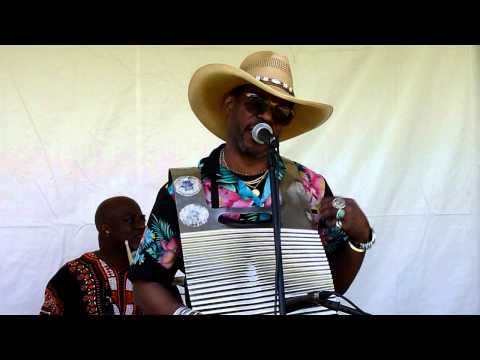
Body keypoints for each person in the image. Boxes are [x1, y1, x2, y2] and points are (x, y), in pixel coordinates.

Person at [129, 51, 375, 315]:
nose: (268, 117)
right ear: (229, 105)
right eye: (256, 104)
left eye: (281, 112)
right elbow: (147, 281)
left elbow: (329, 289)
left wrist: (360, 238)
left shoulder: (310, 187)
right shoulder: (185, 193)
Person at [40, 196, 145, 315]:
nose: (141, 226)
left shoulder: (154, 272)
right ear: (106, 229)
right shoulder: (70, 275)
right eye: (129, 220)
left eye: (142, 219)